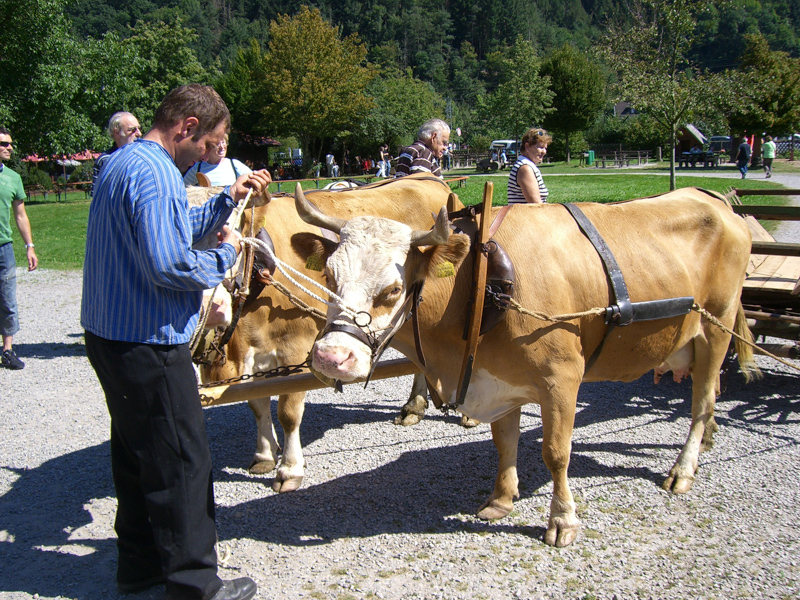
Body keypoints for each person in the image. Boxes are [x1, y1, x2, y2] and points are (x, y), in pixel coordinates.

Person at [81, 84, 271, 600]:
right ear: (187, 126)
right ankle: (194, 584)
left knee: (138, 454)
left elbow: (163, 229)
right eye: (208, 143)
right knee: (183, 459)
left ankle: (140, 567)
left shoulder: (125, 161)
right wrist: (224, 257)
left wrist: (222, 206)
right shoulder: (156, 171)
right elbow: (167, 262)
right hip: (147, 341)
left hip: (110, 336)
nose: (208, 154)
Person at [0, 127, 38, 370]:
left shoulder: (13, 177)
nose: (9, 148)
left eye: (10, 144)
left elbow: (21, 215)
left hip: (4, 248)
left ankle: (8, 350)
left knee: (7, 299)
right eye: (4, 143)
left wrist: (30, 246)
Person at [91, 111, 141, 196]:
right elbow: (97, 197)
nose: (139, 133)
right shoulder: (105, 160)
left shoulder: (142, 158)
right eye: (132, 130)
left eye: (139, 128)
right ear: (117, 132)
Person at [183, 133, 252, 186]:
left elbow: (253, 179)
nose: (222, 147)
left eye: (223, 142)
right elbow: (183, 188)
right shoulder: (197, 168)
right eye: (218, 144)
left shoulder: (234, 165)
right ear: (208, 147)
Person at [507, 128, 552, 204]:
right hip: (526, 215)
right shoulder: (525, 169)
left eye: (545, 148)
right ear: (527, 146)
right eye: (541, 147)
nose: (544, 151)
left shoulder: (527, 165)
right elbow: (535, 204)